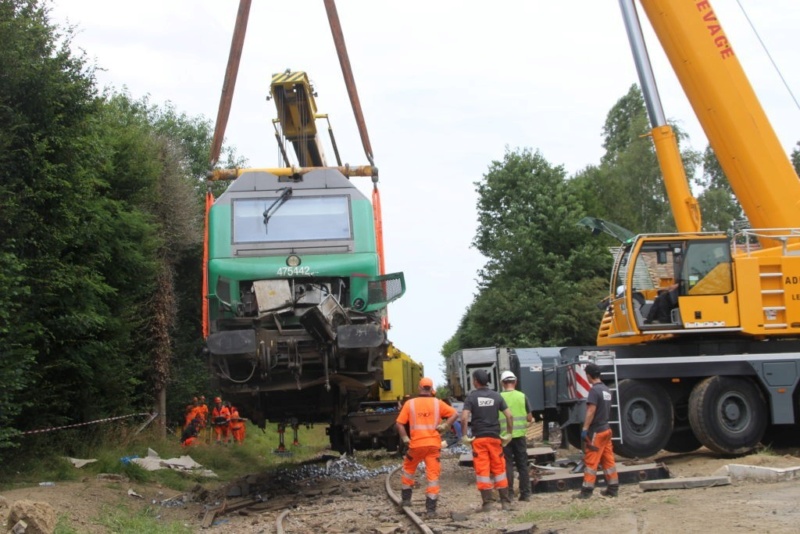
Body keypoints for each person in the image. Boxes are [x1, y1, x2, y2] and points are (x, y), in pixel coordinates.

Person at [395, 377, 458, 518]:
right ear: (431, 388)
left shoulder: (410, 404)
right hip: (433, 446)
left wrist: (405, 438)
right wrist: (446, 425)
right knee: (433, 476)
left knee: (408, 470)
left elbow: (399, 424)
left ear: (419, 388)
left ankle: (406, 501)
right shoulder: (438, 403)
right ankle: (431, 509)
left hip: (416, 445)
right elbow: (454, 414)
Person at [461, 369, 515, 512]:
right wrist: (509, 434)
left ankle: (488, 504)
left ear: (475, 381)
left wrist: (465, 435)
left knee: (483, 470)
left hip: (479, 439)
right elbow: (509, 416)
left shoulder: (471, 397)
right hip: (495, 439)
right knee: (499, 469)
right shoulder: (496, 396)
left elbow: (464, 417)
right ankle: (505, 502)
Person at [575, 363, 619, 499]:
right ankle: (613, 488)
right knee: (608, 459)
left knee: (591, 461)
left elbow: (591, 411)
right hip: (606, 429)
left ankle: (586, 491)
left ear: (589, 375)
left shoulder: (594, 391)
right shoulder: (606, 389)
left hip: (597, 431)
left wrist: (585, 428)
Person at [499, 370, 534, 502]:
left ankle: (509, 494)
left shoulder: (499, 397)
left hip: (504, 437)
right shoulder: (522, 396)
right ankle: (525, 494)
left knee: (507, 464)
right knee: (522, 465)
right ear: (515, 382)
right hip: (520, 436)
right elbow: (529, 418)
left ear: (502, 383)